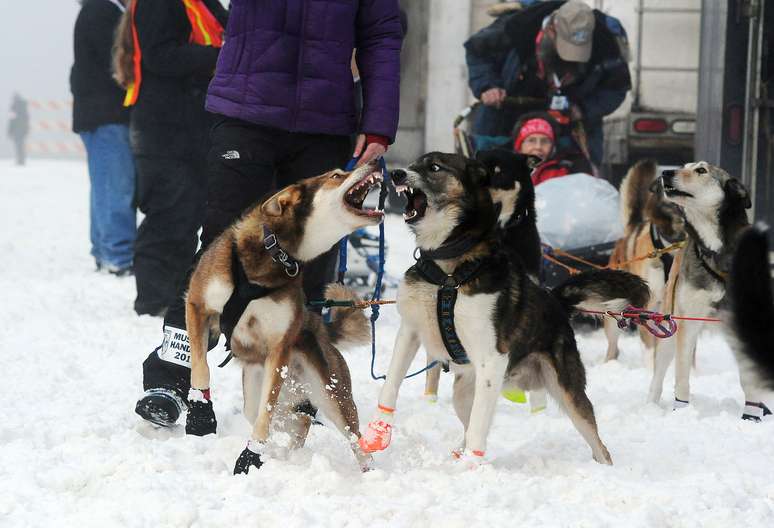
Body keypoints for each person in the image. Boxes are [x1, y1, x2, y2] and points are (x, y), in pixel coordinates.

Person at [132, 0, 404, 428]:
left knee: (309, 257)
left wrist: (379, 122)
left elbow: (382, 35)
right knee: (220, 249)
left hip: (325, 122)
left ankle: (295, 390)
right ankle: (172, 376)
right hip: (245, 110)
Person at [113, 0, 228, 315]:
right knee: (169, 212)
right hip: (164, 127)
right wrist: (221, 57)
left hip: (191, 126)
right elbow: (160, 55)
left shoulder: (202, 3)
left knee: (189, 213)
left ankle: (178, 295)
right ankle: (154, 300)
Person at [465, 0, 631, 167]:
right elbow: (476, 51)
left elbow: (616, 88)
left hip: (569, 127)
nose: (571, 58)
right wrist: (488, 86)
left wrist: (584, 109)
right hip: (506, 115)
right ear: (551, 31)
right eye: (566, 48)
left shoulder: (607, 43)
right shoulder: (517, 27)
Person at [71, 0, 136, 276]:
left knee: (105, 186)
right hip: (107, 114)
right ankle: (118, 255)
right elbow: (117, 62)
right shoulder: (104, 11)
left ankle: (104, 250)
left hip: (96, 115)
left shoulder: (95, 9)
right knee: (117, 186)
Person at [512, 111, 592, 185]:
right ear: (519, 146)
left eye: (544, 141)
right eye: (531, 141)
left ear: (552, 147)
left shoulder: (569, 168)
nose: (538, 147)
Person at [7, 93, 29, 166]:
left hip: (16, 129)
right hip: (23, 129)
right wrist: (27, 129)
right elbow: (27, 119)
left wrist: (9, 131)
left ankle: (20, 160)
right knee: (21, 144)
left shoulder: (14, 107)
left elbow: (11, 121)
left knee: (18, 145)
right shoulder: (24, 107)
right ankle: (21, 160)